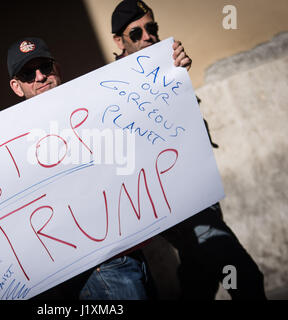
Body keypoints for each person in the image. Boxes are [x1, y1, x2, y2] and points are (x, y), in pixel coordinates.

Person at [0, 36, 193, 300]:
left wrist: (171, 76)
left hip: (129, 254)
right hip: (92, 271)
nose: (40, 76)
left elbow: (145, 129)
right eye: (28, 73)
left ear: (56, 68)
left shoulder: (97, 106)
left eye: (44, 67)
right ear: (17, 87)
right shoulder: (6, 144)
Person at [110, 0, 266, 300]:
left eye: (152, 28)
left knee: (199, 279)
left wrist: (179, 80)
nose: (148, 36)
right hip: (177, 207)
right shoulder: (114, 86)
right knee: (244, 277)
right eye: (136, 32)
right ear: (119, 41)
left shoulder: (166, 68)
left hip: (200, 197)